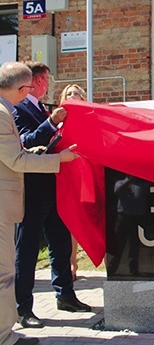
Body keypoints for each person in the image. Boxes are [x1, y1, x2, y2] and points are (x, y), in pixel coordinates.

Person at [0, 61, 79, 345]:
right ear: (29, 85)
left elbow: (28, 146)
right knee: (18, 260)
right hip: (25, 193)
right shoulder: (9, 111)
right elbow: (18, 153)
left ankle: (64, 296)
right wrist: (57, 153)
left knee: (57, 245)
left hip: (47, 188)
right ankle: (19, 316)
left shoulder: (29, 107)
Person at [12, 62, 91, 330]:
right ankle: (23, 307)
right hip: (32, 190)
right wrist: (51, 123)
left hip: (54, 186)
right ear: (36, 81)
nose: (49, 85)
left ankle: (65, 295)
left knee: (61, 245)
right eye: (46, 80)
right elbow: (27, 141)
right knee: (28, 250)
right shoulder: (18, 109)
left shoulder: (40, 108)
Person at [58, 84, 86, 280]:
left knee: (88, 219)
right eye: (69, 94)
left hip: (86, 172)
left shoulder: (88, 118)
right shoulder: (58, 122)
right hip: (66, 174)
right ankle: (72, 262)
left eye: (76, 93)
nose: (73, 96)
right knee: (70, 221)